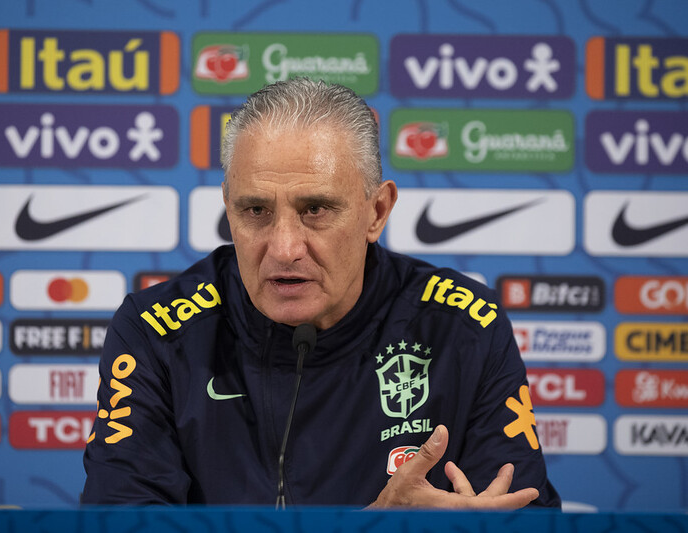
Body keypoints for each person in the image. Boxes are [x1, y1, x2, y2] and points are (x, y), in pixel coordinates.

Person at [82, 77, 560, 509]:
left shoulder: (463, 326)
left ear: (377, 211)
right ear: (228, 208)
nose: (285, 248)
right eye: (255, 210)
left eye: (315, 209)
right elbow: (121, 521)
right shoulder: (156, 331)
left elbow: (524, 515)